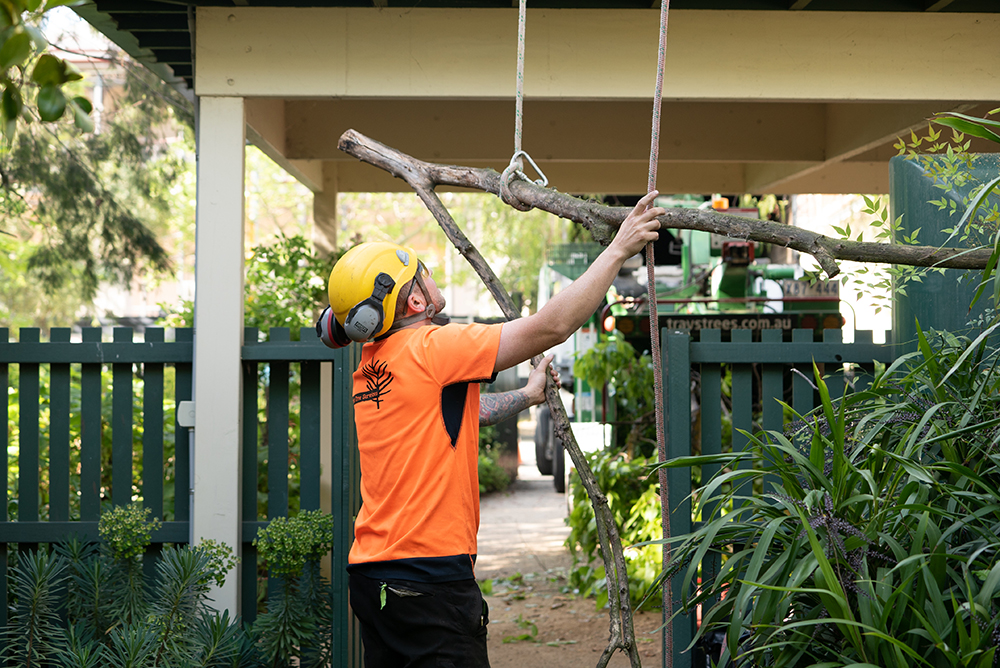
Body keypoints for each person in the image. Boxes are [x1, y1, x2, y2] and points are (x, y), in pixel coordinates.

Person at [317, 191, 664, 668]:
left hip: (374, 577)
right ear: (414, 298)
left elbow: (460, 415)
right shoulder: (435, 347)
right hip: (428, 579)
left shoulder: (373, 364)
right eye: (422, 271)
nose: (431, 275)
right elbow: (552, 326)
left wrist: (527, 395)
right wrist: (619, 248)